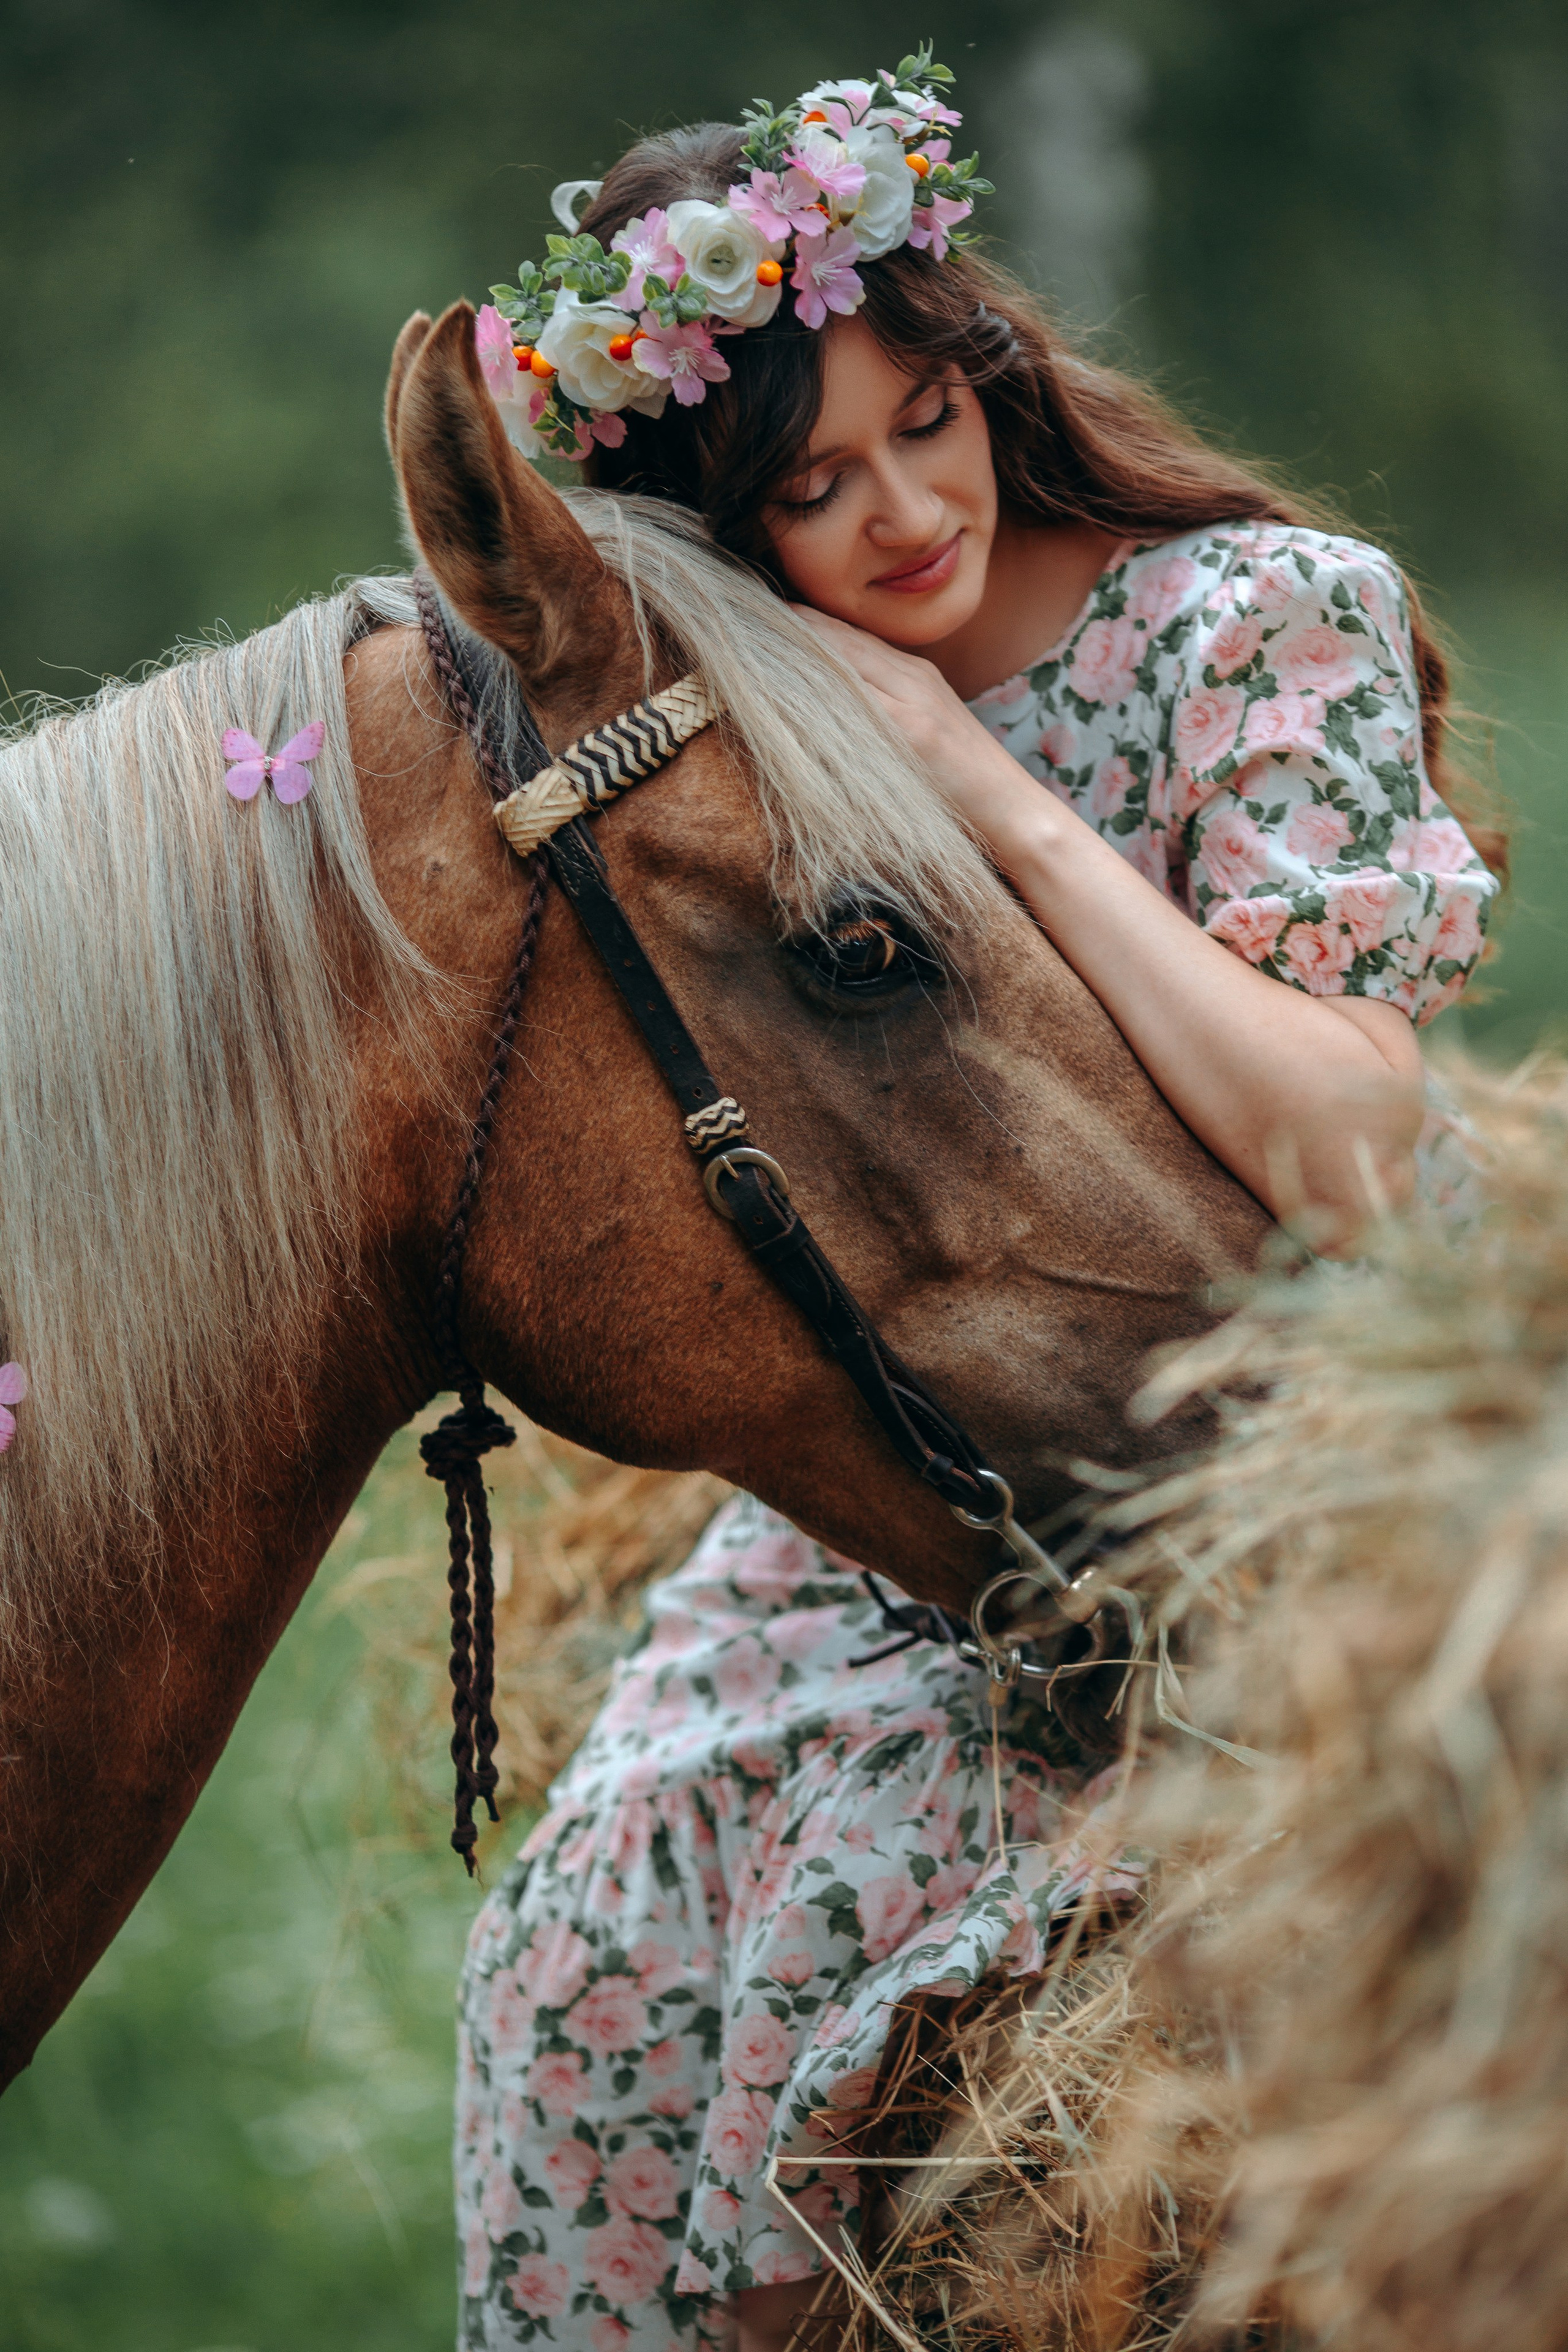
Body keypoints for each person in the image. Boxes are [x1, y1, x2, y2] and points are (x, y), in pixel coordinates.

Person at [454, 61, 1503, 2352]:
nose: (908, 512)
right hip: (933, 1443)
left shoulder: (1253, 618)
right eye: (812, 494)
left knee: (932, 1939)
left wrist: (989, 809)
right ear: (714, 538)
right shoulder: (743, 741)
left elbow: (1339, 1162)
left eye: (924, 418)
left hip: (1268, 1432)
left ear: (985, 362)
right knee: (584, 1938)